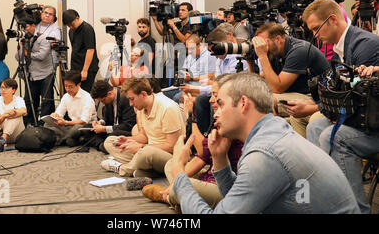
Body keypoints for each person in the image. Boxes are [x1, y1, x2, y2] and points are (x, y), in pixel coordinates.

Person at [169, 72, 360, 214]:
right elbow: (241, 201)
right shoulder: (275, 132)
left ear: (243, 103)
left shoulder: (265, 153)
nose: (216, 113)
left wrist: (179, 173)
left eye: (221, 104)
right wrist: (219, 160)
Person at [302, 0, 379, 213]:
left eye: (317, 28)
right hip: (366, 119)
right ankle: (328, 200)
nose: (315, 36)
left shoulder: (364, 46)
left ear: (333, 19)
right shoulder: (343, 46)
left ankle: (355, 209)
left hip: (374, 125)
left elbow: (356, 99)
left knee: (332, 136)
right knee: (314, 127)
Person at [142, 74, 243, 209]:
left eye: (216, 96)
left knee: (180, 175)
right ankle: (178, 194)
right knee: (170, 165)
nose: (211, 100)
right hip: (214, 176)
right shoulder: (221, 116)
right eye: (212, 95)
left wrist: (191, 116)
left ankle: (168, 197)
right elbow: (203, 157)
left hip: (226, 187)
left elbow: (202, 151)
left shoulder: (230, 120)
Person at [252, 22, 330, 137]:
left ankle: (275, 139)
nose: (261, 46)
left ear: (278, 39)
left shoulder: (299, 50)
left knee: (267, 99)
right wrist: (250, 59)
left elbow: (277, 88)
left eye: (263, 42)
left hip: (315, 97)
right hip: (296, 94)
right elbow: (257, 82)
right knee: (253, 96)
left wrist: (262, 56)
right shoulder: (275, 52)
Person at [101, 78, 185, 178]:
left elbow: (172, 147)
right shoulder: (141, 107)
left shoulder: (168, 108)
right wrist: (128, 140)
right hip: (148, 150)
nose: (131, 104)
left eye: (132, 99)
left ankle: (122, 168)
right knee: (110, 141)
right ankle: (144, 169)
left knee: (146, 152)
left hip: (170, 156)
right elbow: (144, 137)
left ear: (144, 94)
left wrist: (141, 147)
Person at [182, 28, 247, 134]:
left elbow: (229, 86)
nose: (212, 54)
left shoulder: (236, 58)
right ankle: (204, 134)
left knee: (216, 101)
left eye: (213, 50)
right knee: (201, 99)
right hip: (221, 90)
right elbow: (217, 84)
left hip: (235, 91)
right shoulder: (219, 60)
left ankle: (216, 133)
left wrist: (196, 88)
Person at [16, 6, 61, 125]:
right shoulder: (34, 26)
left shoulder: (54, 30)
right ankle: (29, 124)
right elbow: (18, 55)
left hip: (46, 69)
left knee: (46, 100)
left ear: (54, 17)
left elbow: (44, 52)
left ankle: (45, 125)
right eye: (45, 12)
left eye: (50, 14)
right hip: (31, 71)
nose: (47, 15)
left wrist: (28, 54)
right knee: (30, 99)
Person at [44, 71, 97, 146]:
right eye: (66, 86)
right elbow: (59, 113)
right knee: (47, 124)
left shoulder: (87, 98)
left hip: (85, 126)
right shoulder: (66, 96)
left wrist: (65, 122)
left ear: (78, 85)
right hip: (70, 125)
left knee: (76, 129)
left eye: (70, 86)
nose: (68, 89)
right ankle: (68, 139)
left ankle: (61, 140)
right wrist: (55, 116)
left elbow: (84, 121)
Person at [164, 34, 216, 103]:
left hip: (196, 88)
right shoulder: (190, 56)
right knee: (163, 95)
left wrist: (192, 78)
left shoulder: (210, 56)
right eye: (187, 48)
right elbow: (183, 70)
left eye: (192, 48)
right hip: (184, 86)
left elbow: (211, 76)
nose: (189, 51)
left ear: (199, 45)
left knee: (176, 98)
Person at [88, 80, 137, 153]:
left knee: (113, 135)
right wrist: (100, 122)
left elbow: (128, 126)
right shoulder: (109, 99)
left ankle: (102, 145)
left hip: (124, 131)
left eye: (103, 101)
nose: (103, 103)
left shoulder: (126, 98)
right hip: (113, 128)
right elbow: (106, 118)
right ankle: (103, 145)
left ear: (109, 93)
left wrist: (104, 129)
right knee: (89, 128)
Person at [63, 9, 99, 93]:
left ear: (77, 18)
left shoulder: (87, 29)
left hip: (87, 68)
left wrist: (85, 70)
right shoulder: (71, 31)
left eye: (72, 24)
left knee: (84, 93)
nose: (71, 27)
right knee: (73, 92)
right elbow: (75, 49)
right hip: (75, 66)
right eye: (68, 25)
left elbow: (90, 50)